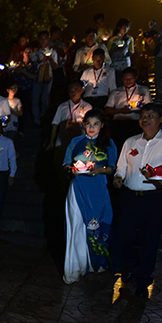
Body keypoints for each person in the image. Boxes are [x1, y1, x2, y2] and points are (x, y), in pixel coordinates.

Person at [113, 103, 162, 298]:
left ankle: (143, 279)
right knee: (124, 237)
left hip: (155, 199)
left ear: (161, 118)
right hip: (130, 197)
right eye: (142, 115)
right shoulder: (131, 142)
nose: (145, 119)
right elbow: (121, 166)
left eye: (151, 115)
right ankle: (129, 265)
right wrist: (118, 178)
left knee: (150, 241)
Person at [62, 109, 117, 284]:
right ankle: (74, 268)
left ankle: (96, 264)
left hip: (98, 189)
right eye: (88, 124)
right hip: (78, 188)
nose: (91, 128)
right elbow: (65, 164)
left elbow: (113, 167)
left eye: (96, 124)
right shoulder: (75, 141)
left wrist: (101, 170)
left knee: (97, 224)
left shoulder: (108, 144)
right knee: (76, 226)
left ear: (102, 125)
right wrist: (71, 170)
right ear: (83, 124)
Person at [105, 67, 152, 150]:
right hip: (118, 123)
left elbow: (150, 108)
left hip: (135, 123)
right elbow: (108, 109)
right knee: (119, 146)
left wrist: (137, 111)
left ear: (136, 78)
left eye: (130, 78)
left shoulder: (143, 90)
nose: (128, 81)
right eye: (125, 79)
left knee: (134, 147)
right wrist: (120, 111)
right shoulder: (116, 92)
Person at [31, 31, 58, 126]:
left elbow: (55, 66)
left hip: (48, 77)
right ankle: (36, 120)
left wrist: (49, 59)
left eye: (45, 38)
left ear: (48, 40)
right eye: (41, 38)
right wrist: (39, 61)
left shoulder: (52, 52)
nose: (43, 40)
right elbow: (32, 64)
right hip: (37, 78)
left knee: (45, 99)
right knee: (35, 99)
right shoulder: (36, 53)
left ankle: (44, 118)